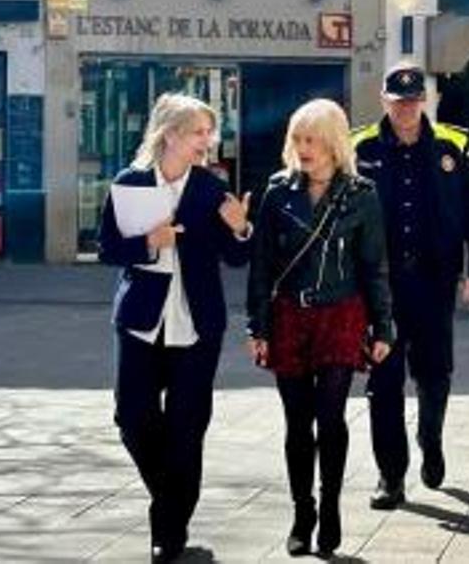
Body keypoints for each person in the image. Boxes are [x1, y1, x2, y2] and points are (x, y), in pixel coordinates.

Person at [97, 93, 252, 563]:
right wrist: (148, 243)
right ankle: (172, 496)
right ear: (171, 135)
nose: (207, 142)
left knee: (187, 428)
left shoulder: (210, 188)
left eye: (209, 132)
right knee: (132, 419)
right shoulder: (130, 182)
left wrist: (242, 228)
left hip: (196, 326)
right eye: (198, 133)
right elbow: (107, 248)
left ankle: (169, 530)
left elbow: (237, 258)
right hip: (141, 322)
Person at [245, 99, 394, 558]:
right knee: (296, 422)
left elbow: (374, 267)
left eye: (311, 140)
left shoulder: (362, 195)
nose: (303, 149)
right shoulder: (277, 192)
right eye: (297, 139)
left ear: (332, 143)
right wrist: (258, 327)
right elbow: (262, 267)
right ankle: (301, 511)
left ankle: (330, 507)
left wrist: (383, 328)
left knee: (330, 418)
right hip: (289, 315)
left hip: (340, 314)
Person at [352, 62, 469, 509]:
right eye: (398, 102)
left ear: (424, 102)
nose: (406, 110)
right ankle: (390, 475)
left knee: (435, 374)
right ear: (385, 101)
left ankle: (430, 440)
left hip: (434, 282)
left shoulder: (455, 143)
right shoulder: (360, 147)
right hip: (380, 287)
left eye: (413, 102)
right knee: (384, 380)